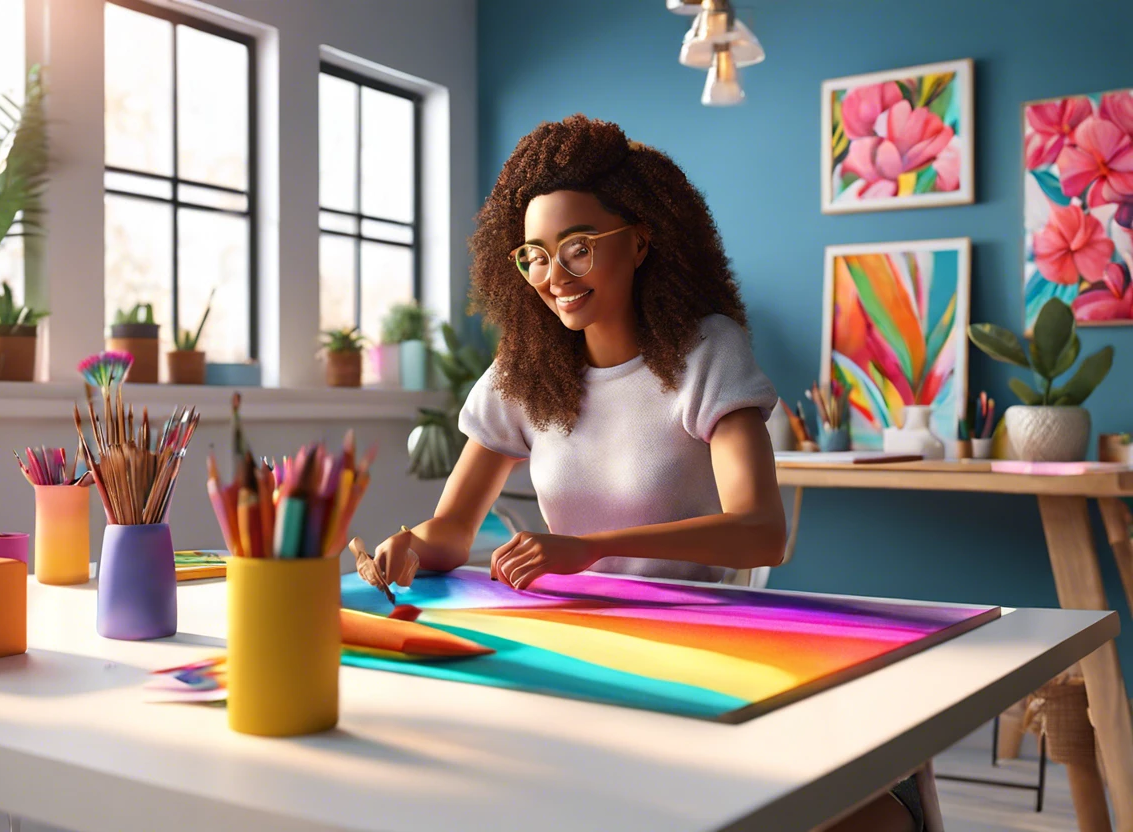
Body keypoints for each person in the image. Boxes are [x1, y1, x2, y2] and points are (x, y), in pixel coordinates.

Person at [359, 114, 921, 832]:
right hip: (580, 643)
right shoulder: (522, 376)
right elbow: (452, 528)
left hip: (708, 643)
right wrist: (410, 544)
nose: (553, 277)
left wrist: (587, 549)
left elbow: (761, 533)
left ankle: (891, 808)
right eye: (533, 255)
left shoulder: (706, 355)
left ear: (643, 240)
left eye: (579, 248)